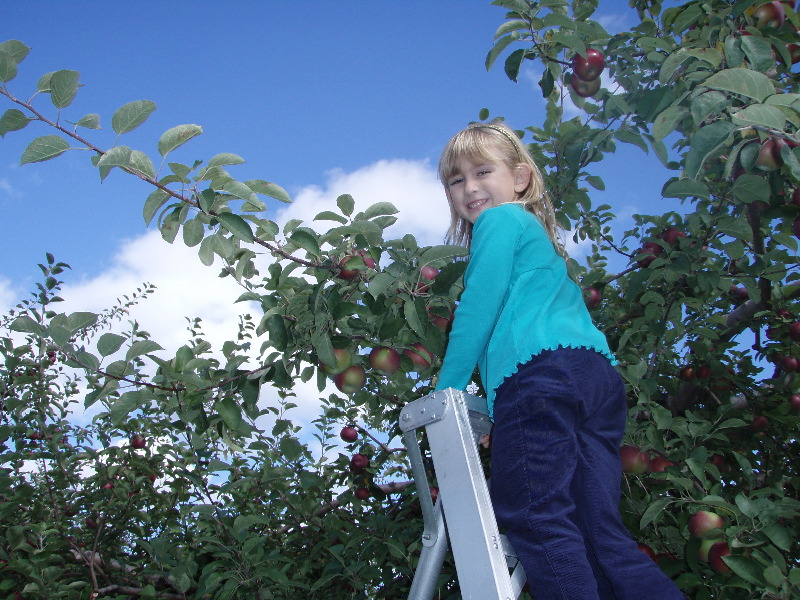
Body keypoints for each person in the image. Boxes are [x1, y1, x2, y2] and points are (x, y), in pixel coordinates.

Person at [433, 122, 684, 600]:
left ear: (520, 178)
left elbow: (479, 305)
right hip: (594, 381)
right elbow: (514, 328)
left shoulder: (500, 221)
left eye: (483, 171)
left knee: (537, 517)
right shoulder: (539, 247)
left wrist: (449, 391)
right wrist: (494, 410)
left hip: (540, 378)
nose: (469, 187)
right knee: (599, 533)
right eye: (456, 180)